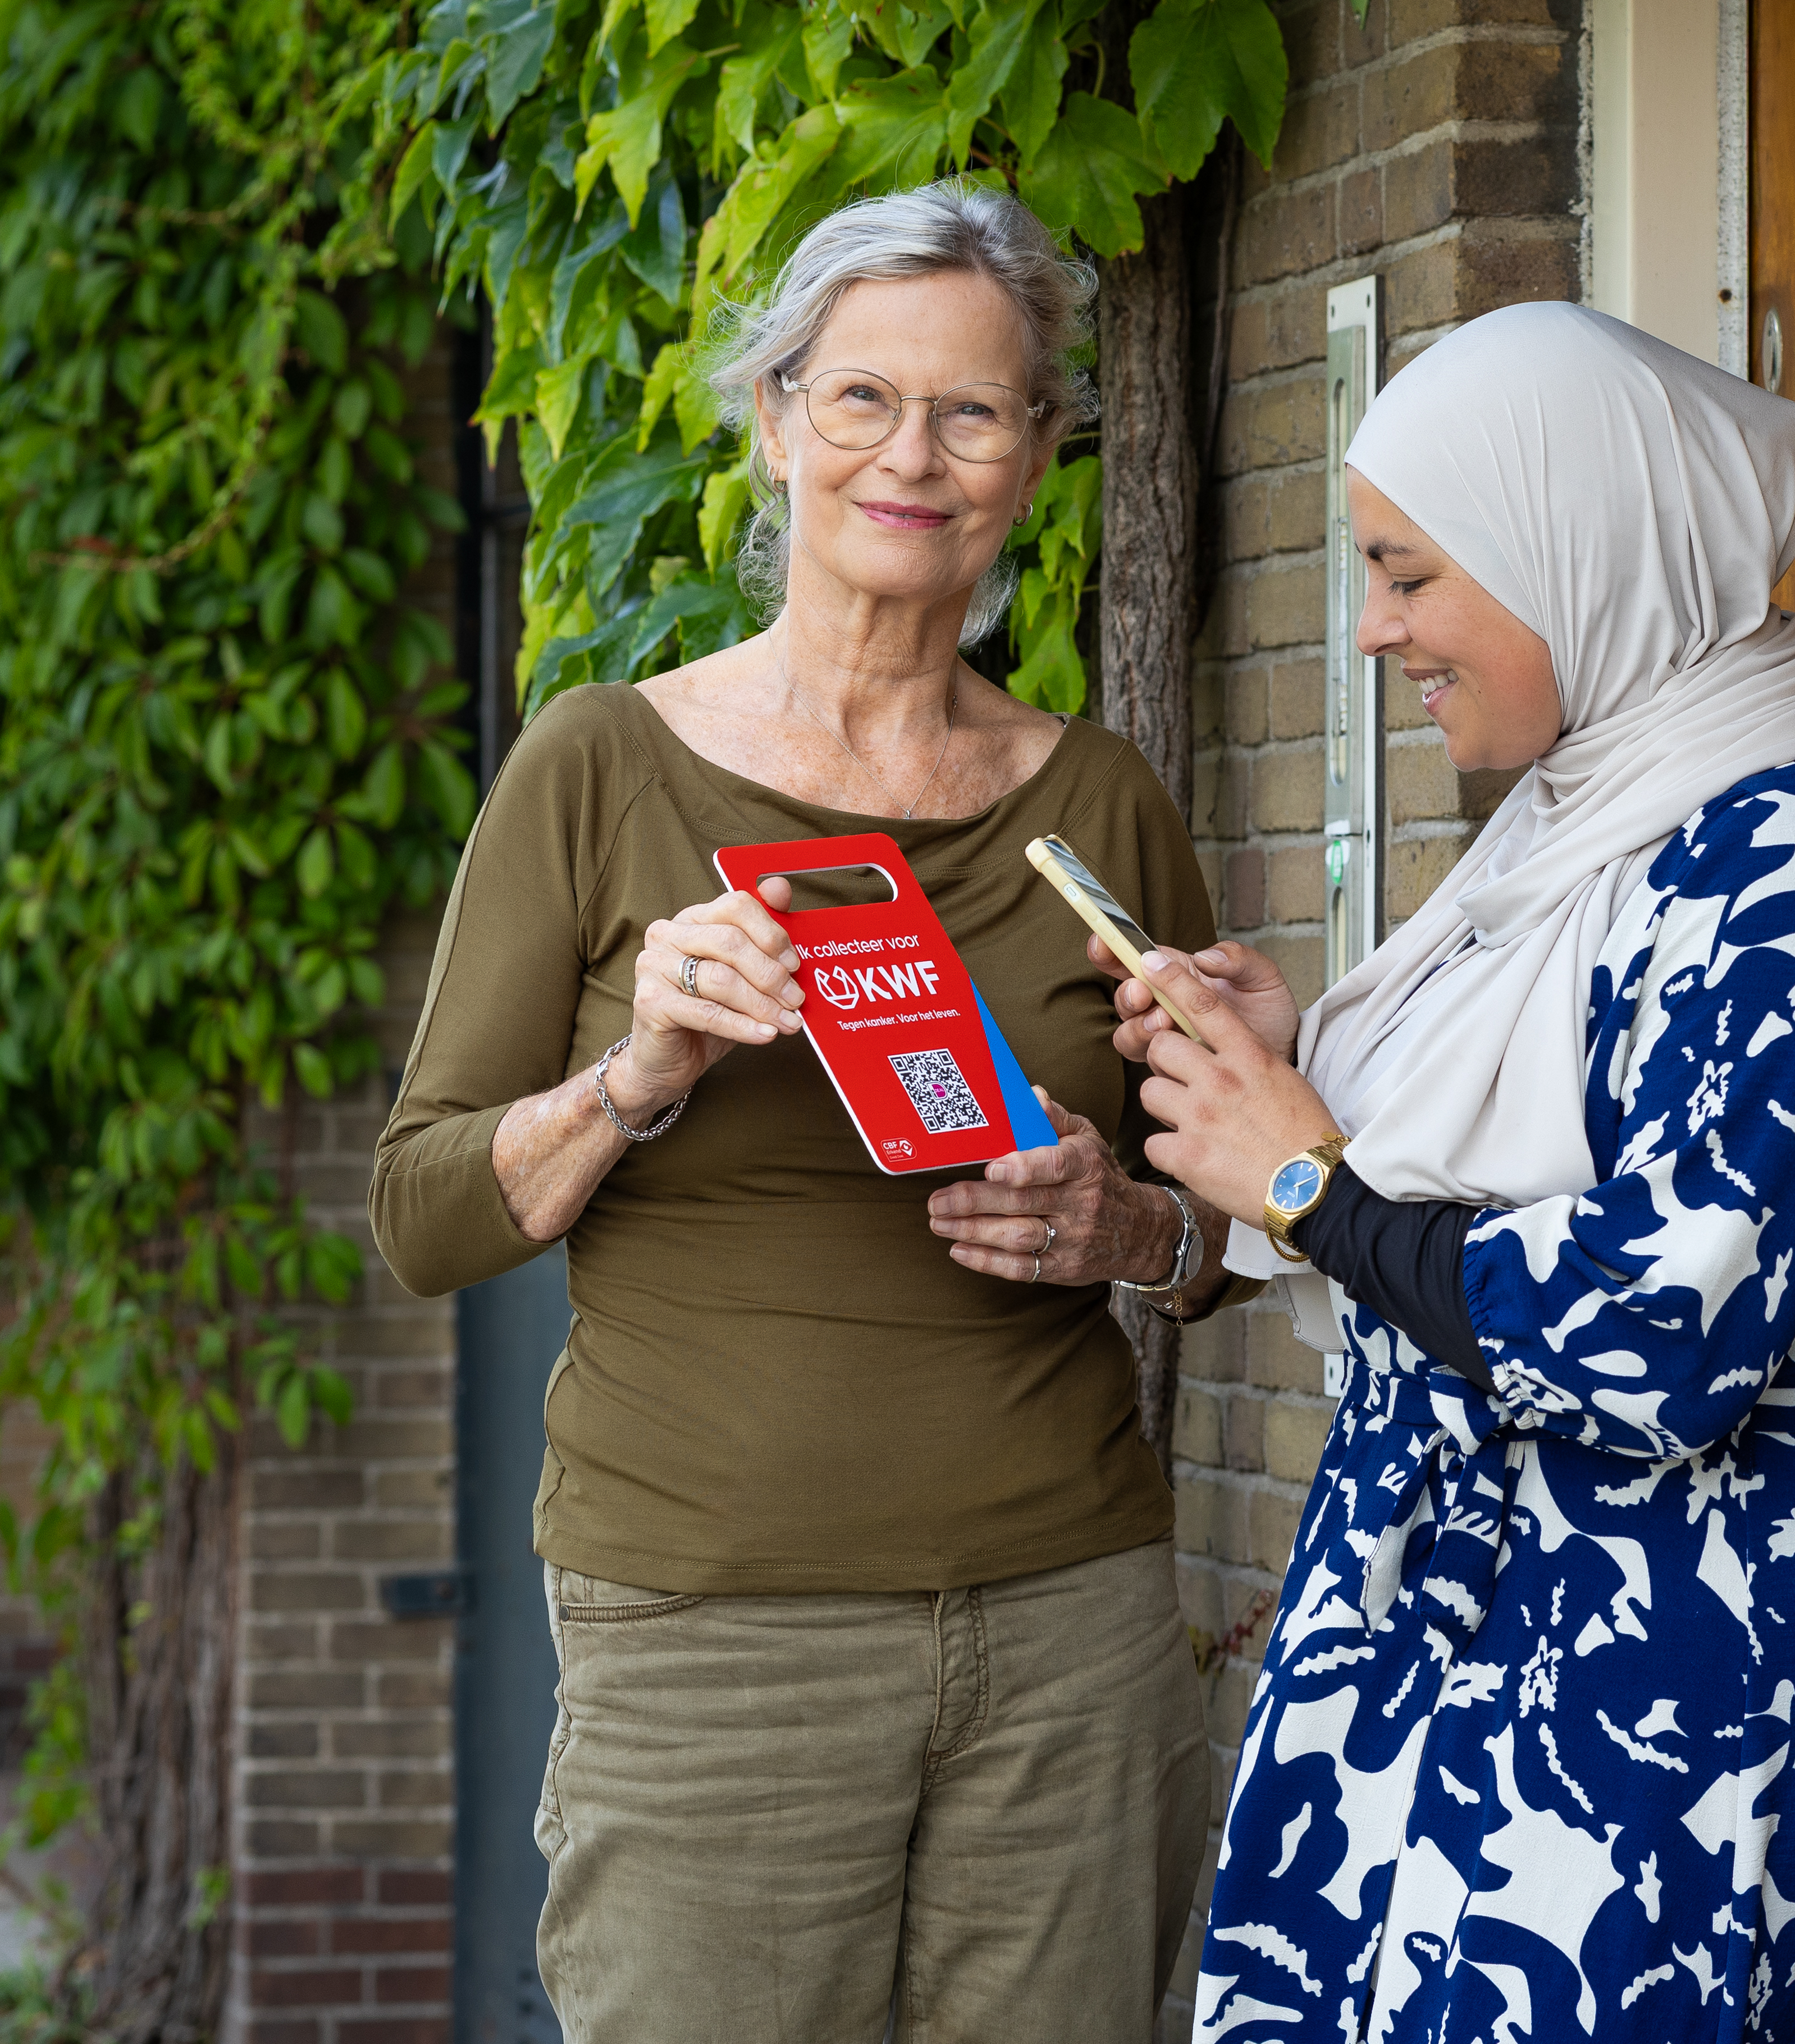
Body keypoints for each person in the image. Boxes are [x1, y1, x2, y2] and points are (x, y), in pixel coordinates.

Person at [368, 182, 1245, 2038]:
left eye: (975, 411)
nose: (909, 457)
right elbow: (426, 1214)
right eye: (859, 398)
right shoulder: (599, 765)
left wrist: (1135, 1232)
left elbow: (1226, 1219)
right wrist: (637, 1076)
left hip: (1069, 1626)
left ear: (1035, 458)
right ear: (773, 423)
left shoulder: (1096, 799)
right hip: (711, 1632)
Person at [1115, 303, 1795, 2040]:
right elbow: (1521, 1144)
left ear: (1566, 550)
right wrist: (1309, 1085)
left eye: (1407, 574)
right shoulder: (1604, 820)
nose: (1372, 631)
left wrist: (1306, 1187)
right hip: (1456, 1651)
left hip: (1679, 1687)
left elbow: (1663, 1334)